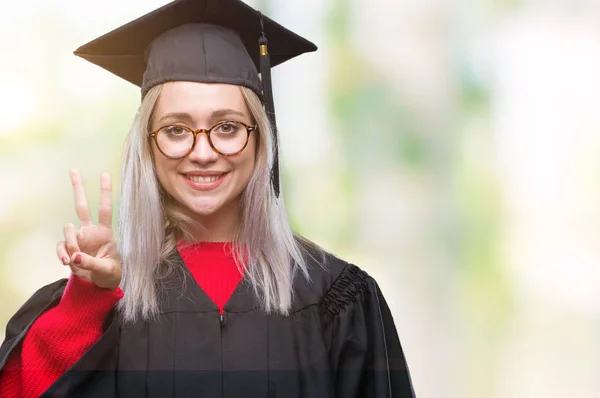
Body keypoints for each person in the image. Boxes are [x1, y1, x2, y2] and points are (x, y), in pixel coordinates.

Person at [0, 0, 416, 397]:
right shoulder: (108, 295)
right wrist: (88, 300)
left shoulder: (334, 297)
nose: (202, 152)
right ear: (147, 146)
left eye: (228, 127)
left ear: (260, 138)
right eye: (177, 130)